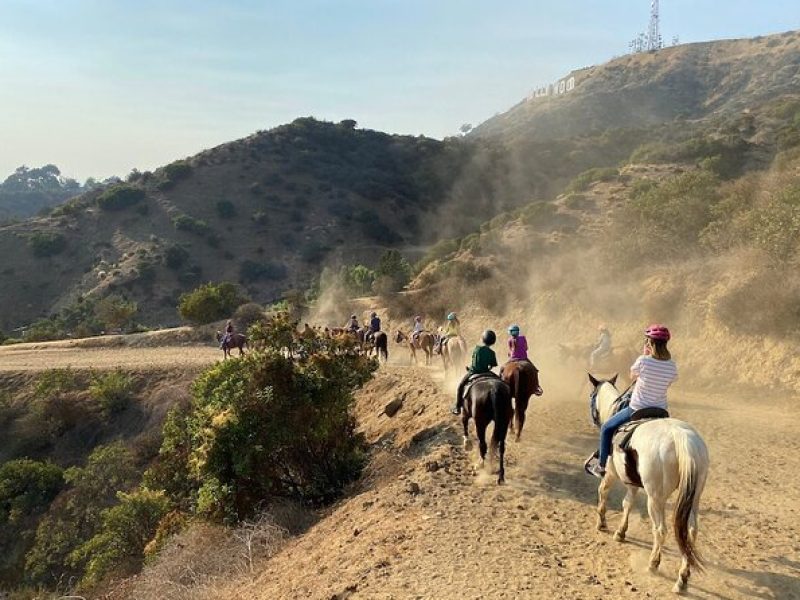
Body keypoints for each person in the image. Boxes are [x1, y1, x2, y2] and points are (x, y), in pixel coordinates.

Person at [586, 324, 677, 479]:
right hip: (661, 411)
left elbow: (632, 376)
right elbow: (668, 383)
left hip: (637, 408)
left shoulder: (643, 360)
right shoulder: (672, 365)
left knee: (607, 428)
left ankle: (601, 466)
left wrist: (645, 355)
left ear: (649, 343)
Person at [451, 329, 498, 415]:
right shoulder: (492, 352)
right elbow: (491, 365)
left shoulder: (477, 349)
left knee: (460, 386)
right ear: (493, 341)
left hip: (473, 372)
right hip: (487, 372)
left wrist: (471, 368)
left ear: (483, 339)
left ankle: (457, 406)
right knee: (500, 381)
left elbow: (474, 362)